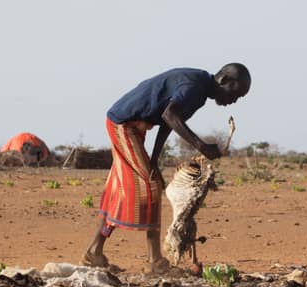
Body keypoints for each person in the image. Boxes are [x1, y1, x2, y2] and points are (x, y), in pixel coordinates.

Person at [81, 63, 251, 274]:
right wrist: (201, 146)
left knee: (128, 187)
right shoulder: (194, 86)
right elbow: (170, 115)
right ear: (224, 80)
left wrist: (154, 160)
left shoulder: (199, 90)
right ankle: (155, 261)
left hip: (131, 127)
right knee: (150, 188)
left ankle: (95, 251)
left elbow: (168, 121)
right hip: (124, 125)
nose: (233, 101)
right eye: (234, 93)